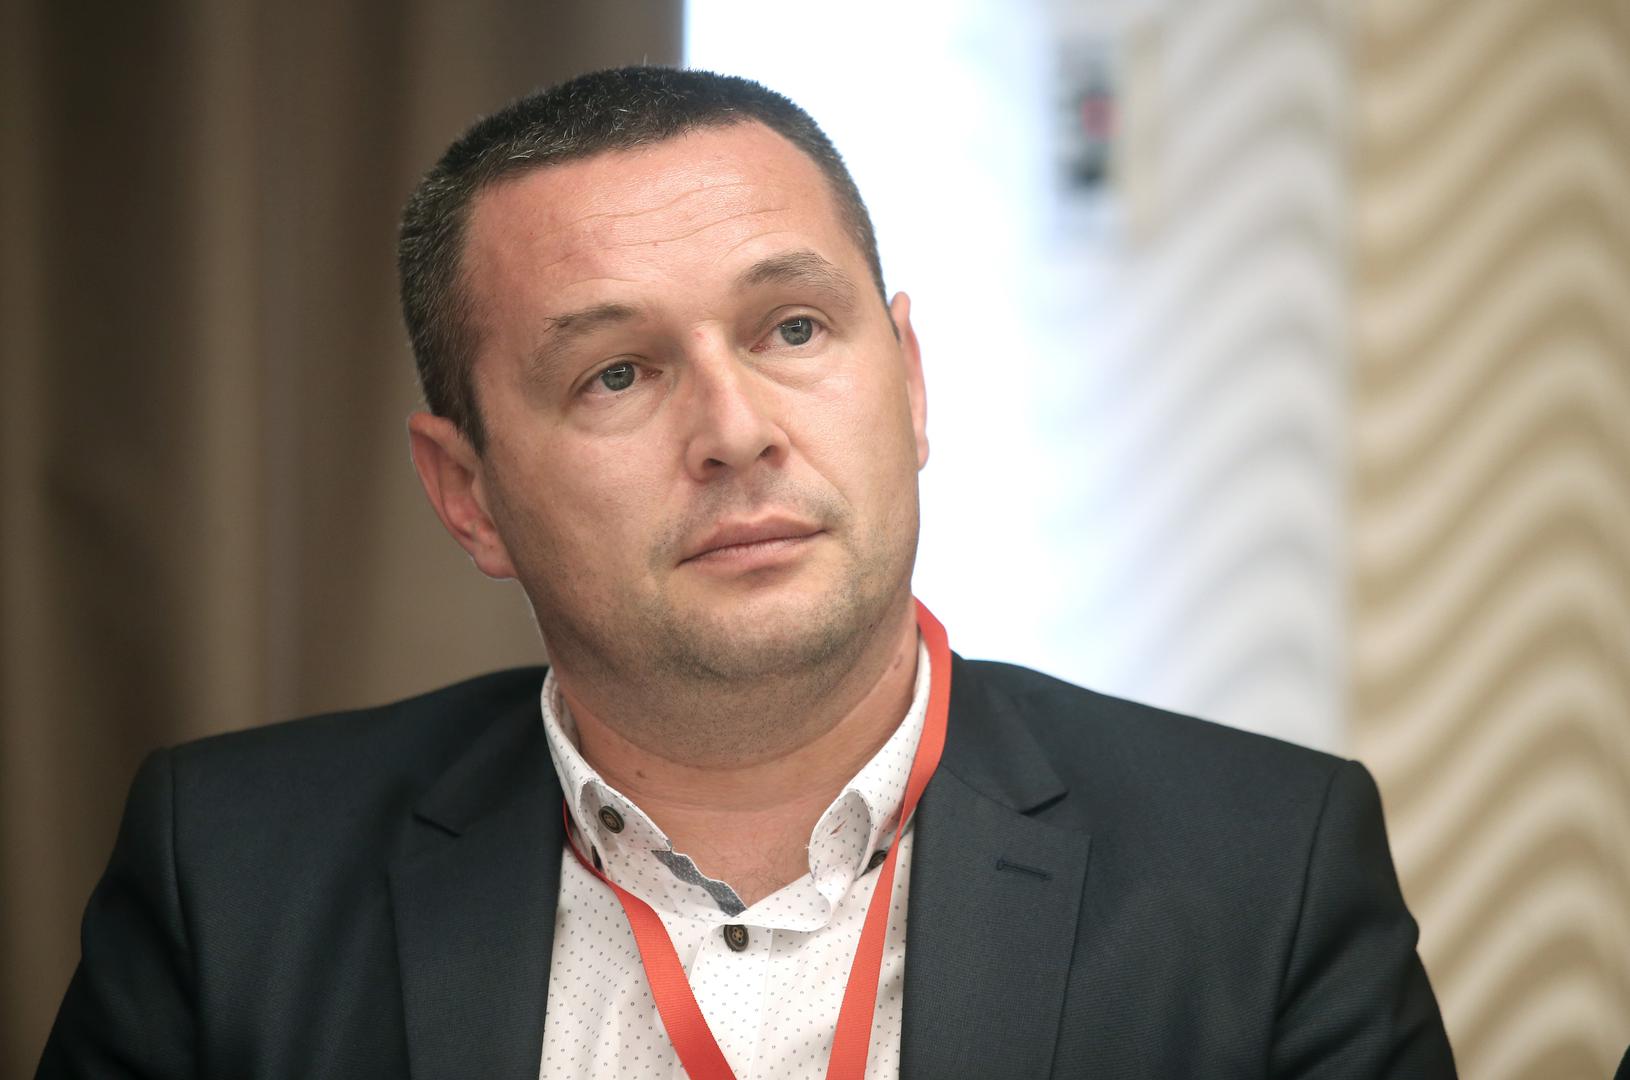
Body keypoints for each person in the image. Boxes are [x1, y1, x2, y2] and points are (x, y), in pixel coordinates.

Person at [38, 67, 1456, 1079]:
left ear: (909, 385)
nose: (735, 431)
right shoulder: (232, 875)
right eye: (615, 373)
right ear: (468, 494)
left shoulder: (1260, 872)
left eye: (791, 330)